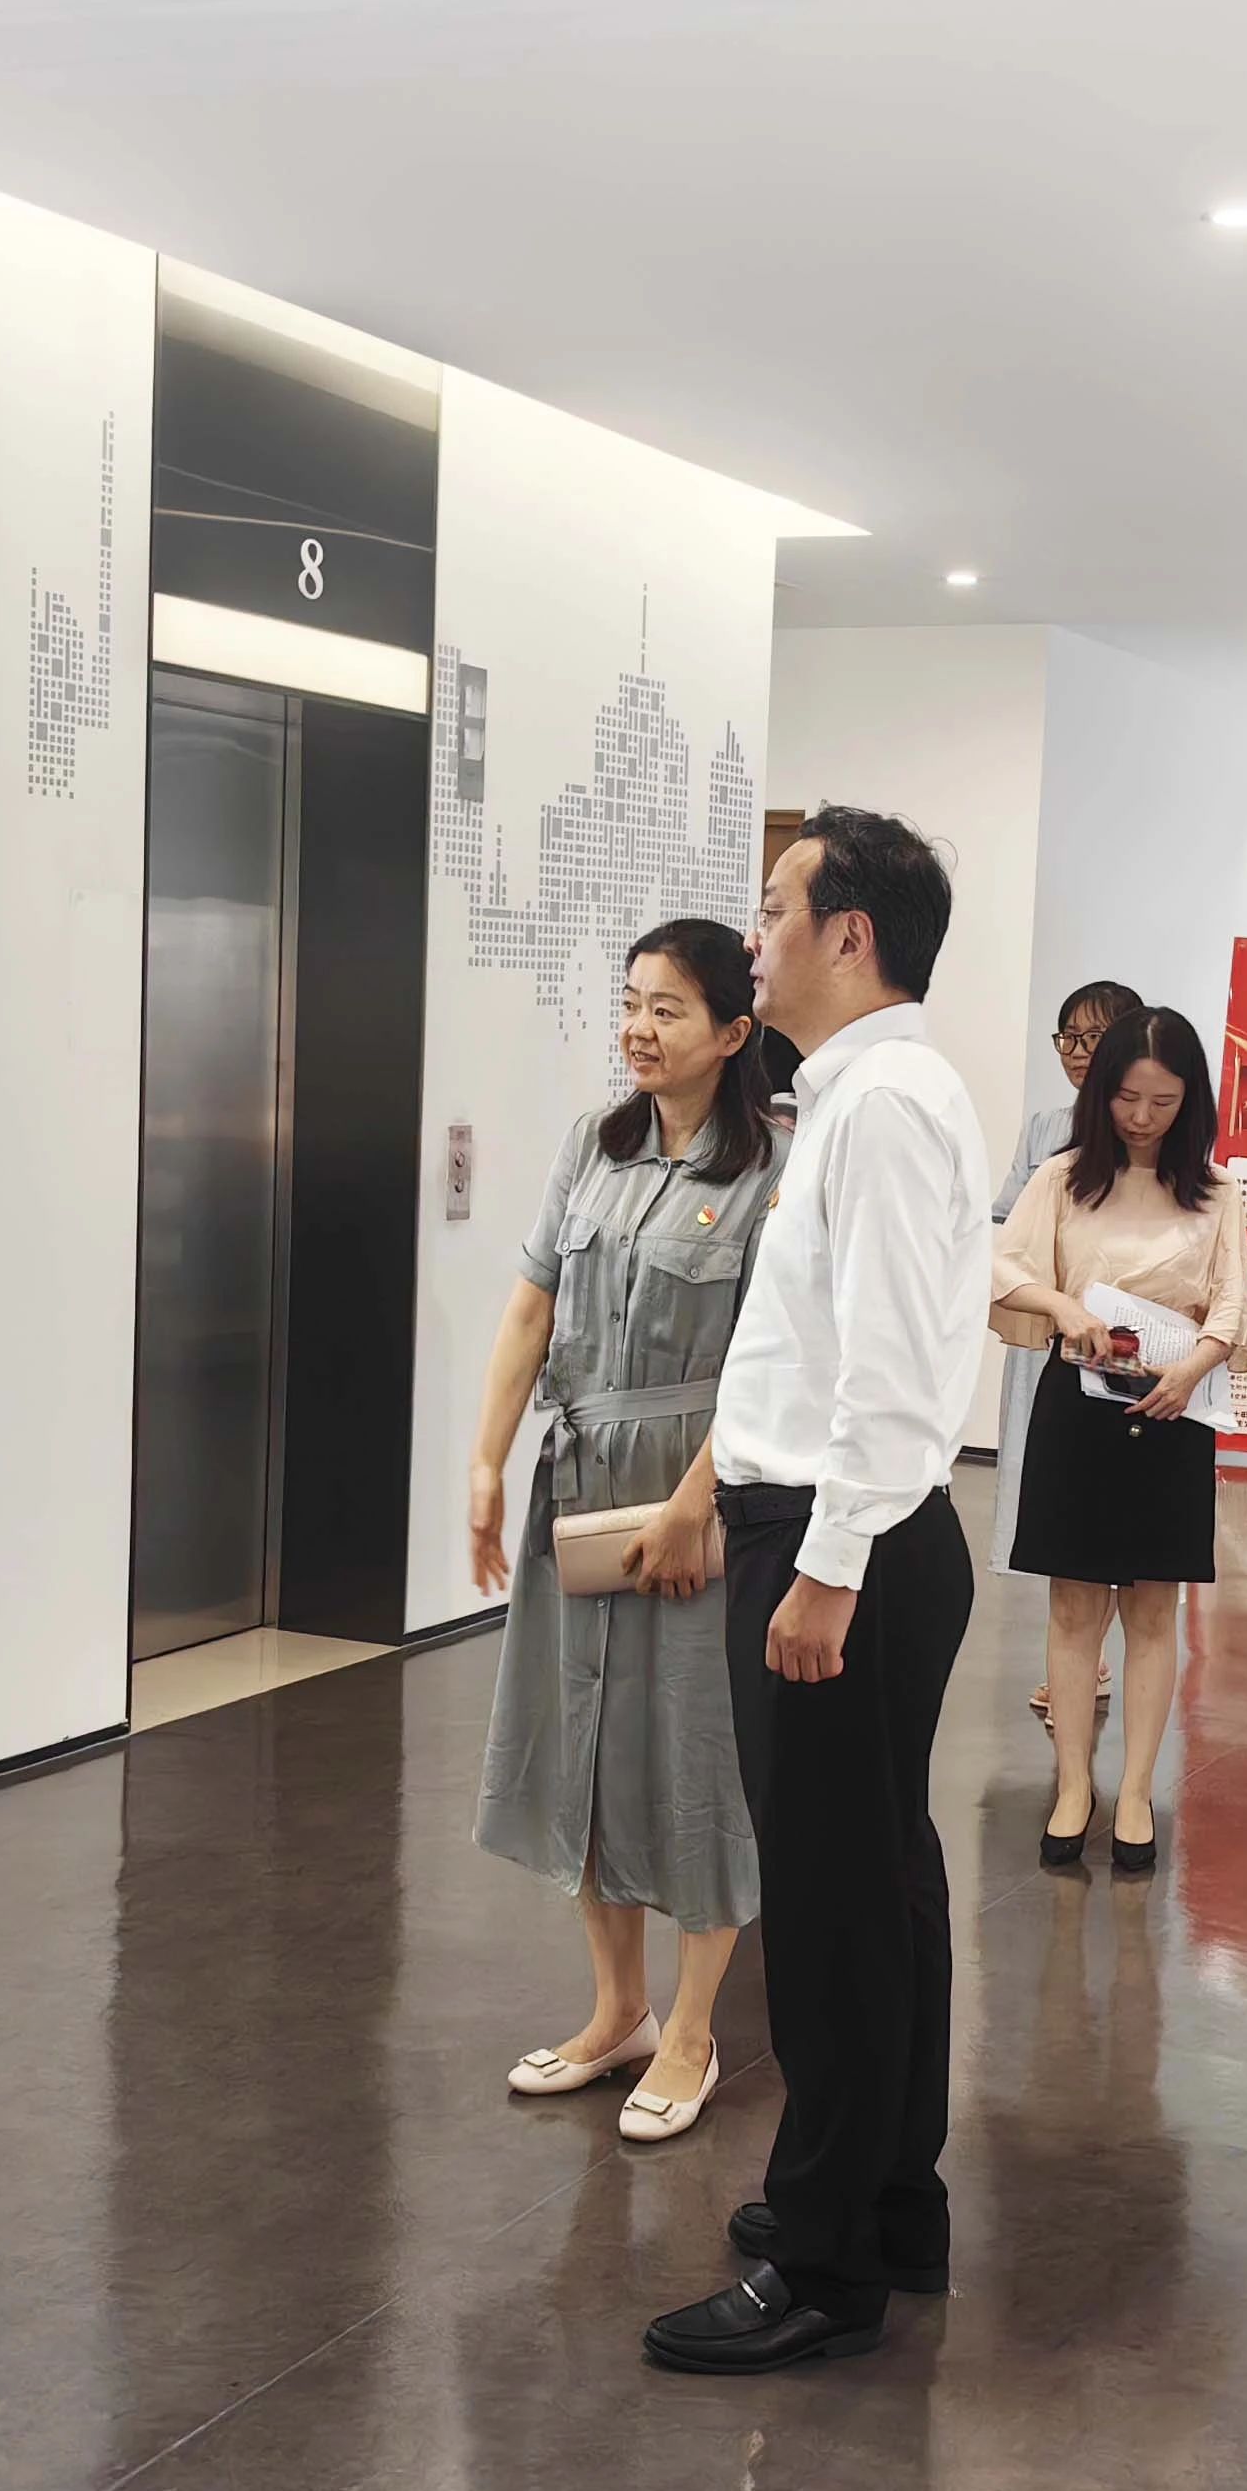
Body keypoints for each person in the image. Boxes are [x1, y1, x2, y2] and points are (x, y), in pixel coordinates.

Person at [642, 806, 992, 2377]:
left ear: (849, 934)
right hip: (834, 1533)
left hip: (845, 1544)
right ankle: (886, 2202)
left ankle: (828, 2260)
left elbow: (900, 1373)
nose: (754, 934)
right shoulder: (858, 1095)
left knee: (837, 1915)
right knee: (880, 1885)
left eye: (774, 907)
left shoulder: (888, 1106)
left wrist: (827, 1570)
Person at [466, 919, 785, 2145]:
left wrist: (701, 1501)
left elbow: (767, 1360)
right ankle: (618, 2014)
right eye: (633, 1003)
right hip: (584, 1482)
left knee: (694, 1756)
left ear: (733, 1032)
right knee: (585, 1747)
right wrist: (487, 1462)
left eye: (668, 1009)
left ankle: (695, 2030)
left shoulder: (769, 1171)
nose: (639, 1030)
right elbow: (530, 1310)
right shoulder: (591, 1147)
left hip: (697, 1488)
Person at [995, 1004, 1247, 1874]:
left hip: (1174, 1409)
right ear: (1101, 1092)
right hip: (1079, 1404)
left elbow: (1232, 1299)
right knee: (1074, 1605)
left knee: (1151, 1608)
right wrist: (1063, 1307)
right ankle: (1074, 1785)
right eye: (1127, 1098)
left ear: (1191, 1101)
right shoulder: (1064, 1177)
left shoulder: (1214, 1191)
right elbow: (1005, 1267)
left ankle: (1137, 1789)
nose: (1142, 1118)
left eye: (1163, 1101)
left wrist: (1197, 1366)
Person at [993, 979, 1147, 1702]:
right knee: (1052, 1500)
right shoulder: (1043, 1128)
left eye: (1097, 1037)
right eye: (1070, 1038)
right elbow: (1004, 1224)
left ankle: (1092, 1661)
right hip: (1047, 1339)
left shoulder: (1150, 1130)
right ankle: (1078, 1660)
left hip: (1122, 1342)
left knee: (1111, 1497)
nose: (1081, 1052)